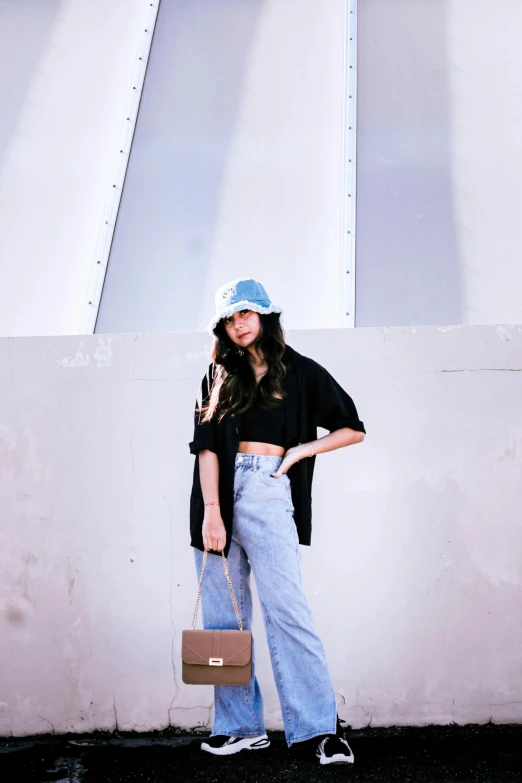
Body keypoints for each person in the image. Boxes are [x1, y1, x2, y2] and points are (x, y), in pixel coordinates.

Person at [188, 278, 366, 766]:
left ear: (265, 315)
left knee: (288, 611)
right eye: (229, 318)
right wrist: (211, 512)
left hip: (269, 489)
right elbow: (206, 448)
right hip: (216, 495)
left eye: (245, 313)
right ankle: (240, 727)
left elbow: (352, 428)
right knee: (225, 622)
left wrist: (303, 449)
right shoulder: (217, 374)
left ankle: (315, 731)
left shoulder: (301, 372)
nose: (238, 323)